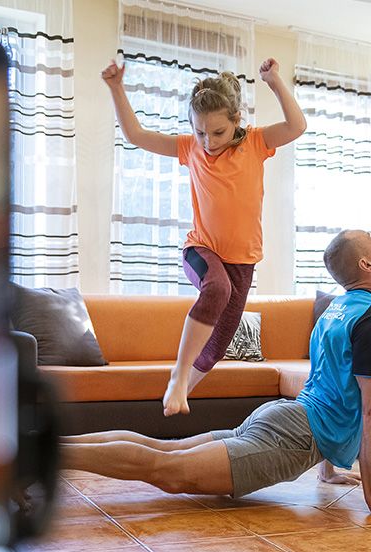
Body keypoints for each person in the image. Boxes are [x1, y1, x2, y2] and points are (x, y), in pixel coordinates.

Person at [60, 230, 371, 521]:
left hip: (285, 417)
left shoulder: (337, 311)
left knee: (166, 449)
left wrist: (328, 469)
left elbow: (330, 386)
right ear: (367, 264)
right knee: (168, 469)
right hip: (293, 435)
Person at [101, 56, 307, 417]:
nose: (208, 142)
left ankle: (176, 398)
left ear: (236, 122)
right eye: (200, 132)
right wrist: (117, 88)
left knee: (217, 346)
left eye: (218, 133)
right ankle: (178, 378)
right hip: (201, 248)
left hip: (243, 260)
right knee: (217, 289)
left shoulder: (256, 143)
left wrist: (274, 81)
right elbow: (136, 135)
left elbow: (297, 125)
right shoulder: (190, 149)